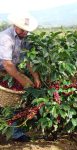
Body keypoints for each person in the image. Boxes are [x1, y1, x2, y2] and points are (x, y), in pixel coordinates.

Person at [0, 12, 41, 142]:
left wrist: (35, 77)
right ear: (14, 26)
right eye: (23, 30)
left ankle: (15, 133)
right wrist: (22, 79)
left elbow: (29, 59)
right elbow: (7, 64)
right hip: (5, 69)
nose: (25, 33)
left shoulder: (26, 37)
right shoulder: (5, 38)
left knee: (13, 101)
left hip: (8, 72)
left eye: (27, 30)